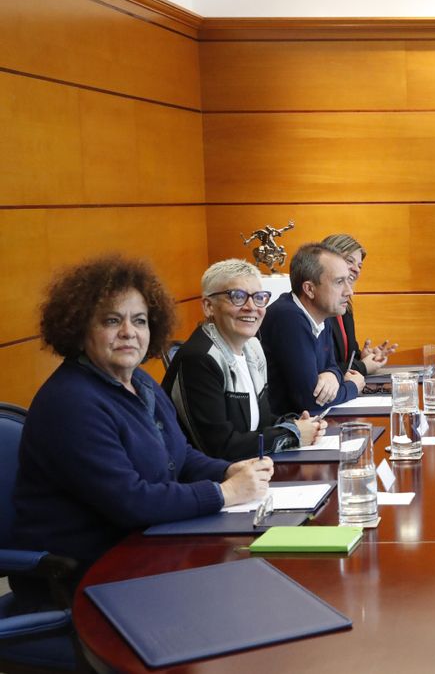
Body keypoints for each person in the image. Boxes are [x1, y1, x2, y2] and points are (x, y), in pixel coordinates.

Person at [11, 256, 272, 607]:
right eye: (111, 321)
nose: (129, 333)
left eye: (139, 321)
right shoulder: (70, 402)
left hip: (149, 549)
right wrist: (223, 493)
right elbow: (132, 502)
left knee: (253, 590)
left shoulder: (140, 383)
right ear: (78, 328)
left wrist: (226, 470)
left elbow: (179, 454)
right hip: (85, 578)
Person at [163, 259, 326, 461]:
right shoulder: (198, 359)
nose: (251, 307)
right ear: (208, 306)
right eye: (237, 297)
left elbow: (261, 421)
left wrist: (298, 423)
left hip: (252, 471)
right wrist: (291, 434)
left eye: (259, 298)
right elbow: (218, 448)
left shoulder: (253, 348)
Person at [259, 242, 365, 414]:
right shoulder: (288, 317)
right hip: (284, 430)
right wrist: (353, 386)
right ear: (309, 289)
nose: (349, 291)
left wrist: (332, 375)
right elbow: (311, 401)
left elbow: (333, 366)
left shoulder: (322, 314)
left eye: (348, 281)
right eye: (339, 282)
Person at [320, 234, 398, 376]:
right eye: (350, 261)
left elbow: (347, 360)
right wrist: (362, 366)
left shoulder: (345, 306)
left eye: (360, 265)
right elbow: (323, 369)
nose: (357, 270)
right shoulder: (320, 305)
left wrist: (363, 357)